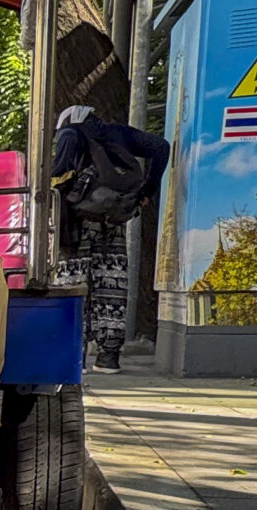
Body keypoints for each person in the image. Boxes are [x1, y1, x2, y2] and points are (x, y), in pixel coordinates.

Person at [52, 105, 170, 371]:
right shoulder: (118, 134)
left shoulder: (70, 134)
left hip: (76, 222)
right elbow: (161, 147)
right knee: (111, 284)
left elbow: (57, 176)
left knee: (73, 286)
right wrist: (145, 194)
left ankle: (74, 355)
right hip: (114, 221)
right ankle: (108, 357)